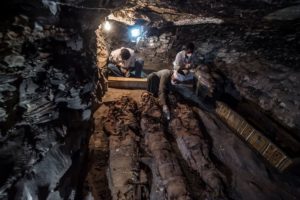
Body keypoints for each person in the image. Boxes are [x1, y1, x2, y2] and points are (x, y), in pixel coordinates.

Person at [147, 69, 212, 120]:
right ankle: (158, 96)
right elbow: (161, 90)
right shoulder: (165, 74)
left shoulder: (182, 78)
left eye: (177, 81)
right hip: (157, 81)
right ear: (173, 76)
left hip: (170, 84)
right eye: (175, 80)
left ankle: (206, 106)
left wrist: (195, 99)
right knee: (152, 78)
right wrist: (164, 105)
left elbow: (186, 87)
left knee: (189, 95)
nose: (176, 81)